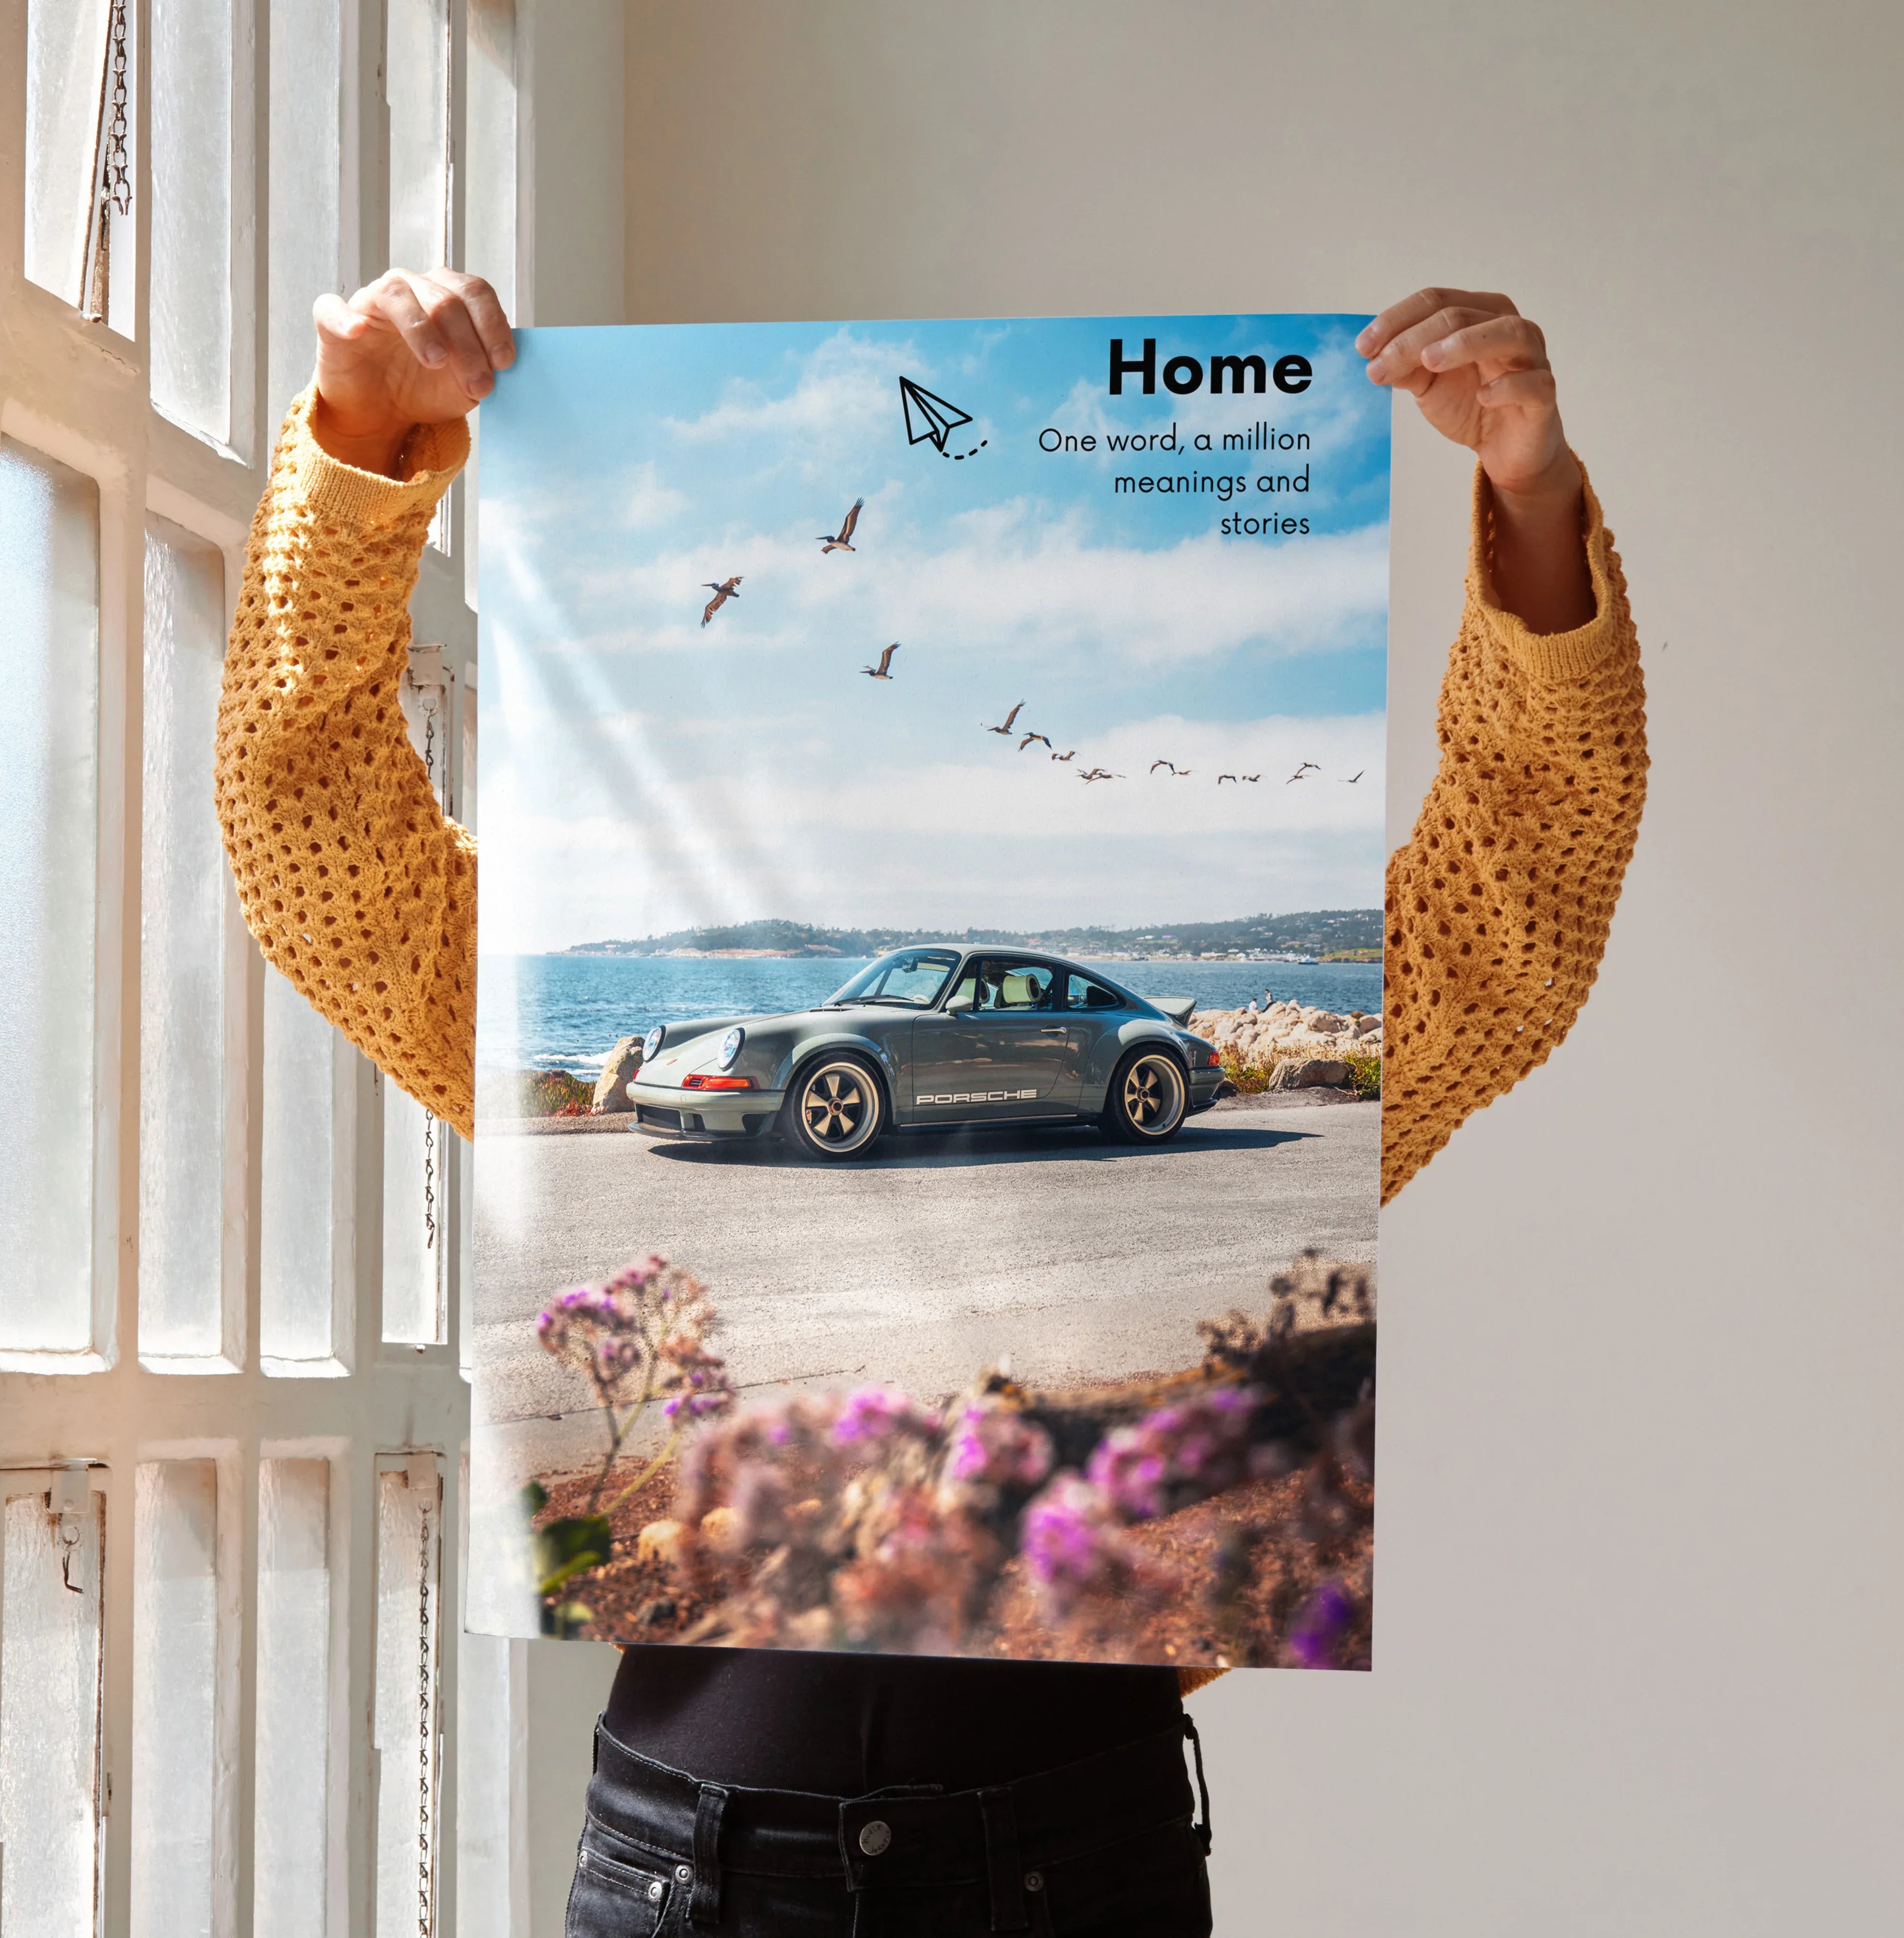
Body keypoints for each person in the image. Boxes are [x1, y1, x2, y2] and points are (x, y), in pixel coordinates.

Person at [216, 272, 1646, 1936]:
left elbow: (1514, 919)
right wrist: (359, 448)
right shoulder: (647, 1041)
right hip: (697, 1872)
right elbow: (315, 848)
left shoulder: (1185, 1119)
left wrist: (1532, 499)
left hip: (1073, 1858)